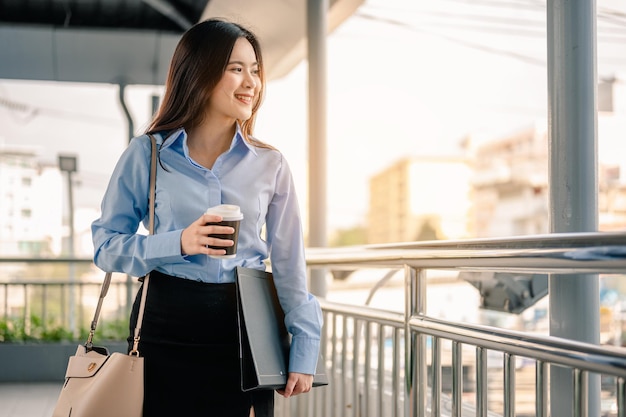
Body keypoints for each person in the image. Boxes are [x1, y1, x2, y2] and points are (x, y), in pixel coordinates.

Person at [91, 18, 323, 417]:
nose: (251, 82)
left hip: (248, 329)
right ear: (199, 71)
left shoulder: (271, 165)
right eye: (236, 68)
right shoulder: (148, 155)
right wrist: (179, 242)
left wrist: (304, 346)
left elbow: (289, 265)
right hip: (165, 325)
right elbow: (105, 247)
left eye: (255, 70)